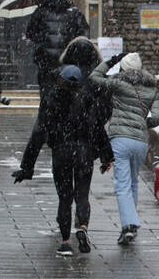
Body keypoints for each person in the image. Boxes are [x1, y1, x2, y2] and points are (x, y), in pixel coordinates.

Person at [12, 65, 113, 256]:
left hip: (61, 153)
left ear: (61, 80)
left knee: (65, 198)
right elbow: (97, 128)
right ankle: (82, 226)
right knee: (82, 195)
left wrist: (27, 166)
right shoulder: (87, 99)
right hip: (84, 153)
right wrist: (106, 157)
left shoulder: (50, 100)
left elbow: (38, 134)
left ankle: (66, 242)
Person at [89, 52, 159, 245]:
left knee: (121, 184)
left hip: (120, 140)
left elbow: (94, 78)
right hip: (140, 142)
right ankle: (130, 225)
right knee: (132, 182)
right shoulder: (152, 88)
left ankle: (129, 226)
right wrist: (141, 123)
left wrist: (110, 61)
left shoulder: (118, 84)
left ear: (123, 68)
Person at [24, 0, 89, 98]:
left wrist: (41, 42)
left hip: (46, 60)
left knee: (47, 92)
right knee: (69, 92)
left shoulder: (40, 12)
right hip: (68, 60)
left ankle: (47, 110)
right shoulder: (75, 12)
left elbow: (30, 33)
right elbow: (83, 34)